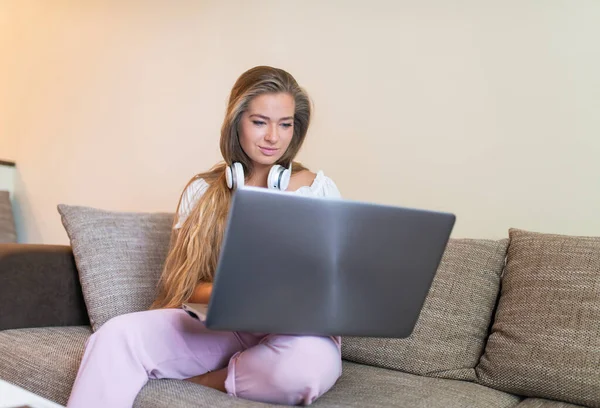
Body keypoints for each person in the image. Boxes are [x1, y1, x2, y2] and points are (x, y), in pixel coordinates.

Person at [66, 66, 343, 407]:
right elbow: (187, 285)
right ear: (236, 122)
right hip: (224, 325)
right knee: (116, 335)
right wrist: (239, 292)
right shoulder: (203, 191)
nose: (273, 136)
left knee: (304, 369)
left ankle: (213, 379)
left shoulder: (317, 189)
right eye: (260, 122)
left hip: (296, 334)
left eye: (285, 124)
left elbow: (334, 282)